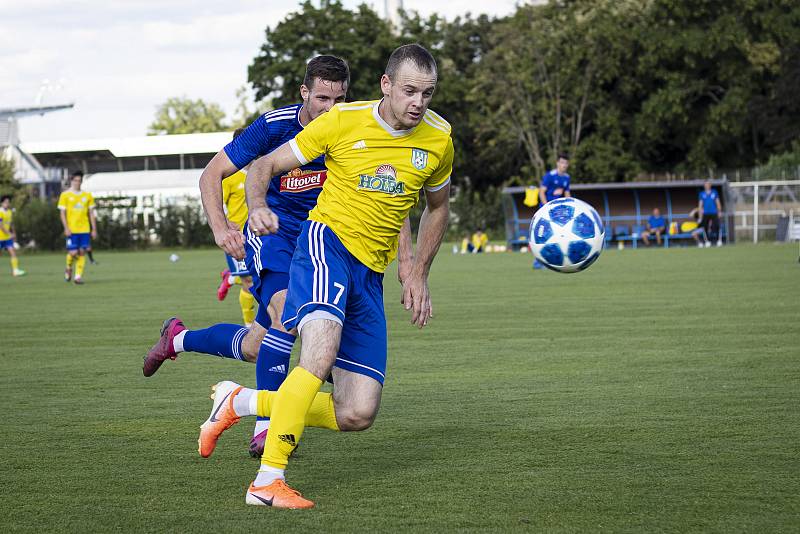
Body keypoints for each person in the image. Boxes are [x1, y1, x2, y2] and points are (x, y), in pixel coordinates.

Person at [196, 43, 453, 509]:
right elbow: (264, 164)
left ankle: (241, 402)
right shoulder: (342, 121)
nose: (418, 102)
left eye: (428, 93)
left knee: (357, 411)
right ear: (387, 85)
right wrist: (255, 207)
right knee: (315, 355)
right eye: (410, 90)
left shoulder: (438, 138)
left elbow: (437, 207)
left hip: (369, 275)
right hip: (323, 245)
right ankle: (266, 480)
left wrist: (415, 269)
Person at [143, 56, 350, 458]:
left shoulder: (348, 126)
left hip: (321, 239)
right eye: (322, 98)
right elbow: (210, 174)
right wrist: (222, 229)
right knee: (284, 313)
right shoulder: (274, 126)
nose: (330, 108)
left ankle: (177, 338)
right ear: (305, 92)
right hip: (272, 233)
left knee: (259, 344)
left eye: (339, 99)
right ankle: (265, 425)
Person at [214, 128, 257, 327]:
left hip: (262, 236)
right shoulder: (230, 176)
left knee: (263, 278)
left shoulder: (263, 169)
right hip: (238, 238)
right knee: (249, 282)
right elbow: (215, 202)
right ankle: (249, 326)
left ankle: (231, 277)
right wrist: (223, 222)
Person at [58, 171, 97, 284]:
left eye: (79, 181)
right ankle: (69, 267)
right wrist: (66, 228)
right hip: (72, 229)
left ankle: (78, 277)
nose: (77, 183)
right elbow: (62, 213)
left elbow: (91, 213)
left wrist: (94, 229)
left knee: (82, 252)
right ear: (71, 181)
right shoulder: (65, 195)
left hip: (84, 229)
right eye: (75, 180)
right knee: (73, 253)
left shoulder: (87, 195)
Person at [533, 153, 571, 268]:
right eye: (562, 162)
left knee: (558, 235)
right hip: (545, 210)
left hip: (558, 212)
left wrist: (571, 207)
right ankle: (538, 261)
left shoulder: (567, 177)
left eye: (566, 163)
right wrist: (546, 207)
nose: (564, 165)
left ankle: (555, 260)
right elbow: (541, 192)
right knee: (544, 236)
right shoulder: (549, 176)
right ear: (557, 163)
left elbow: (567, 193)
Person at [0, 195, 26, 277]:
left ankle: (15, 271)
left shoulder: (9, 212)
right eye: (6, 202)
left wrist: (13, 233)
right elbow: (1, 225)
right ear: (2, 203)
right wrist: (9, 233)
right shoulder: (0, 212)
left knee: (13, 252)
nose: (7, 204)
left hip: (7, 238)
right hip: (0, 237)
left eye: (8, 202)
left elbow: (10, 223)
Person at [699, 181, 723, 247]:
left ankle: (719, 240)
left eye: (708, 184)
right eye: (705, 184)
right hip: (705, 213)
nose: (707, 185)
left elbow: (718, 202)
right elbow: (700, 205)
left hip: (714, 212)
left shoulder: (714, 192)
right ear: (704, 186)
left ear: (710, 185)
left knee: (717, 226)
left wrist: (719, 211)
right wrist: (700, 216)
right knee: (704, 227)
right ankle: (707, 241)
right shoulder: (702, 194)